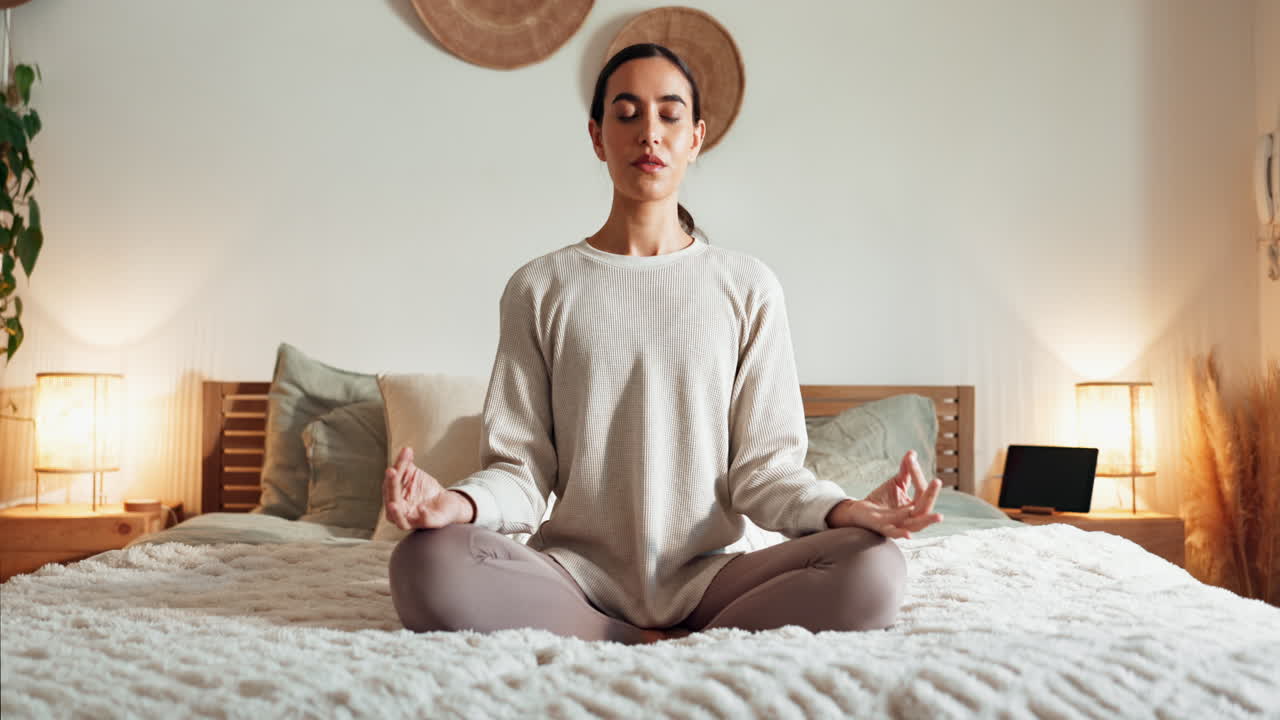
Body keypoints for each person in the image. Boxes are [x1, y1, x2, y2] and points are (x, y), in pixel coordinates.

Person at [384, 43, 944, 645]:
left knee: (875, 566)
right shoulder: (539, 287)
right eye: (626, 114)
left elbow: (766, 471)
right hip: (574, 576)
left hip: (711, 578)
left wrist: (847, 511)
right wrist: (457, 505)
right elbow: (520, 472)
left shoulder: (747, 287)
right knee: (424, 563)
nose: (649, 132)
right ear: (598, 137)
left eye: (669, 115)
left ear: (696, 137)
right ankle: (631, 635)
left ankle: (644, 635)